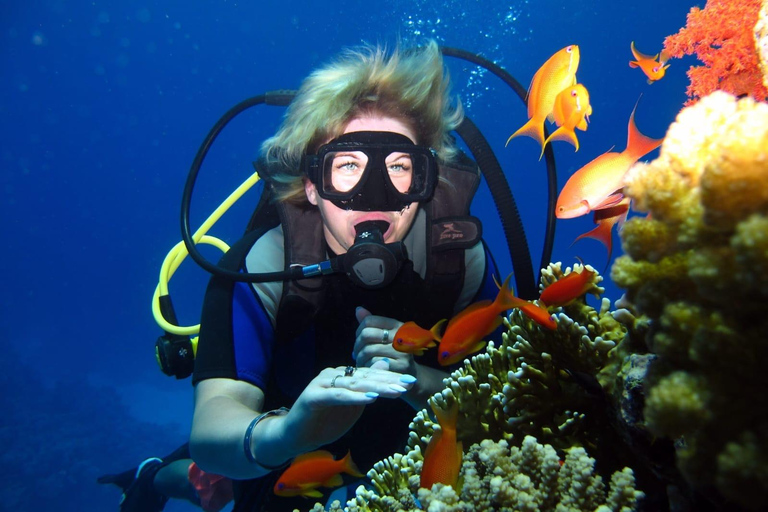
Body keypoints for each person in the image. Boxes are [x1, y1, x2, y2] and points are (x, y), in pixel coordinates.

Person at [101, 39, 505, 511]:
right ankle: (157, 476)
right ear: (312, 185)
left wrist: (419, 380)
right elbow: (214, 425)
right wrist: (288, 431)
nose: (375, 196)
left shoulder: (460, 260)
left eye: (399, 167)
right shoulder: (261, 267)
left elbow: (502, 396)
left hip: (414, 432)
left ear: (427, 181)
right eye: (347, 167)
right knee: (214, 477)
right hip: (285, 435)